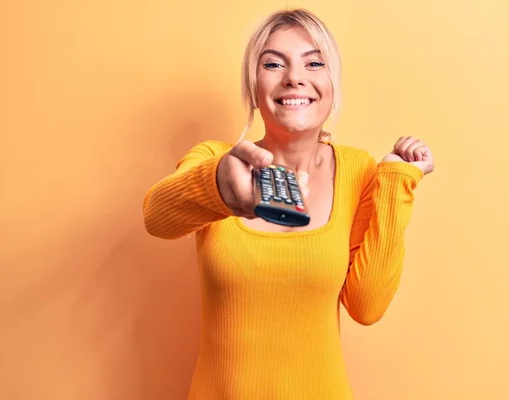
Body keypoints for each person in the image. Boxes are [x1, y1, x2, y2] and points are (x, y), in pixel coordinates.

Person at [142, 8, 434, 399]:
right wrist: (218, 188)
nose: (294, 77)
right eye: (273, 63)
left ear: (332, 84)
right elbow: (156, 217)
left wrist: (395, 179)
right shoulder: (218, 160)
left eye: (314, 62)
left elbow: (367, 305)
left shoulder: (358, 170)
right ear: (253, 86)